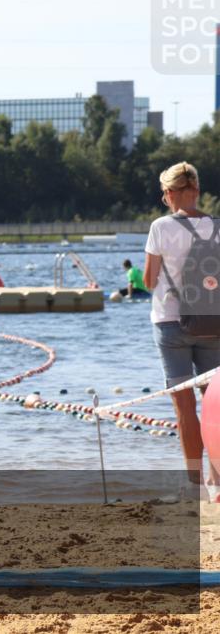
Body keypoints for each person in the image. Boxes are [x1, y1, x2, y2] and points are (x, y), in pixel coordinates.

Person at [143, 161, 220, 496]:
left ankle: (194, 487)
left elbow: (148, 280)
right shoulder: (217, 226)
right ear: (197, 191)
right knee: (215, 403)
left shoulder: (161, 227)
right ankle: (217, 481)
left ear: (170, 193)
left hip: (170, 324)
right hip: (213, 322)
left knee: (184, 407)